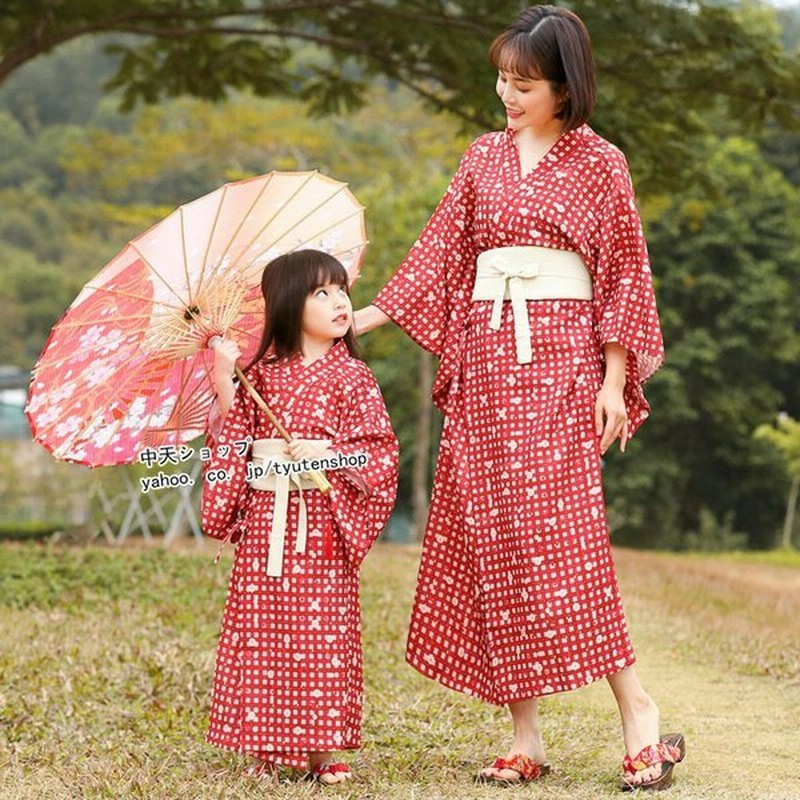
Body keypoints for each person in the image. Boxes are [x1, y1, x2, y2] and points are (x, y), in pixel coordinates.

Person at [354, 4, 684, 792]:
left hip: (563, 363)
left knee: (562, 539)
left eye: (524, 83)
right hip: (486, 366)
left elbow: (623, 275)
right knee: (494, 538)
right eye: (502, 79)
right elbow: (437, 255)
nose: (507, 94)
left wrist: (613, 381)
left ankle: (638, 712)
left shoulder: (601, 162)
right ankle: (525, 735)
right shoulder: (481, 158)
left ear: (565, 87)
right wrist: (353, 318)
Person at [202, 249, 398, 784]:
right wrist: (225, 376)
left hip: (323, 521)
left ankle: (322, 746)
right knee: (264, 627)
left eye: (341, 290)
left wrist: (329, 461)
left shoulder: (353, 377)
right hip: (269, 517)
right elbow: (234, 436)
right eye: (322, 293)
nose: (340, 302)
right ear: (289, 305)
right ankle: (265, 742)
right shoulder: (259, 374)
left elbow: (378, 451)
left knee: (324, 631)